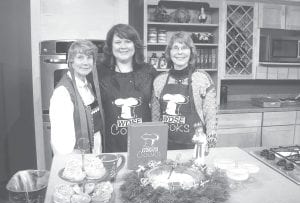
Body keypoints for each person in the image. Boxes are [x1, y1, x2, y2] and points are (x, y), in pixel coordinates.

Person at [151, 32, 217, 153]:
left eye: (184, 48)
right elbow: (155, 117)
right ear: (169, 53)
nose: (180, 52)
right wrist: (154, 146)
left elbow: (211, 116)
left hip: (196, 147)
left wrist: (211, 144)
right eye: (175, 48)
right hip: (164, 147)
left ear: (191, 52)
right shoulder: (159, 80)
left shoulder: (203, 79)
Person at [97, 24, 157, 153]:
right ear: (110, 46)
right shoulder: (99, 72)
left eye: (127, 41)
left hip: (144, 144)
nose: (123, 46)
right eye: (118, 42)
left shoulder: (149, 71)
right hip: (111, 145)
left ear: (135, 45)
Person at [50, 40, 104, 155]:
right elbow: (61, 141)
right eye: (80, 57)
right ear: (71, 61)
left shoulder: (88, 85)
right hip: (77, 160)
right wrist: (75, 164)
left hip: (94, 156)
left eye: (89, 57)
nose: (86, 62)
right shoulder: (63, 92)